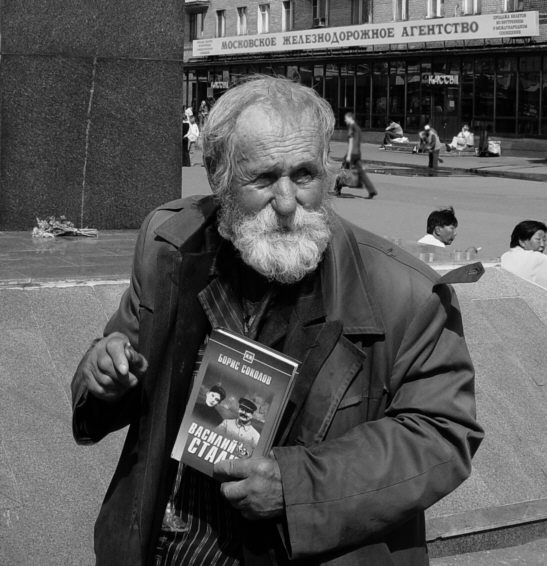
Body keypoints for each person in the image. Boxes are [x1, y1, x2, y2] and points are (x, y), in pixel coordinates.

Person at [70, 75, 483, 565]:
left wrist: (297, 487)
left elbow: (441, 432)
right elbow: (119, 354)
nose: (287, 202)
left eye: (304, 175)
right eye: (263, 179)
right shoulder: (170, 243)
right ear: (218, 176)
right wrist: (103, 374)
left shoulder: (406, 293)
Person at [340, 111, 377, 199]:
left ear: (350, 118)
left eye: (346, 119)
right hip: (357, 154)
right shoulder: (358, 128)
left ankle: (337, 189)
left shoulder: (351, 127)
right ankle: (372, 191)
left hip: (351, 153)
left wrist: (348, 156)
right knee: (361, 173)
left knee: (343, 171)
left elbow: (351, 142)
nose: (345, 120)